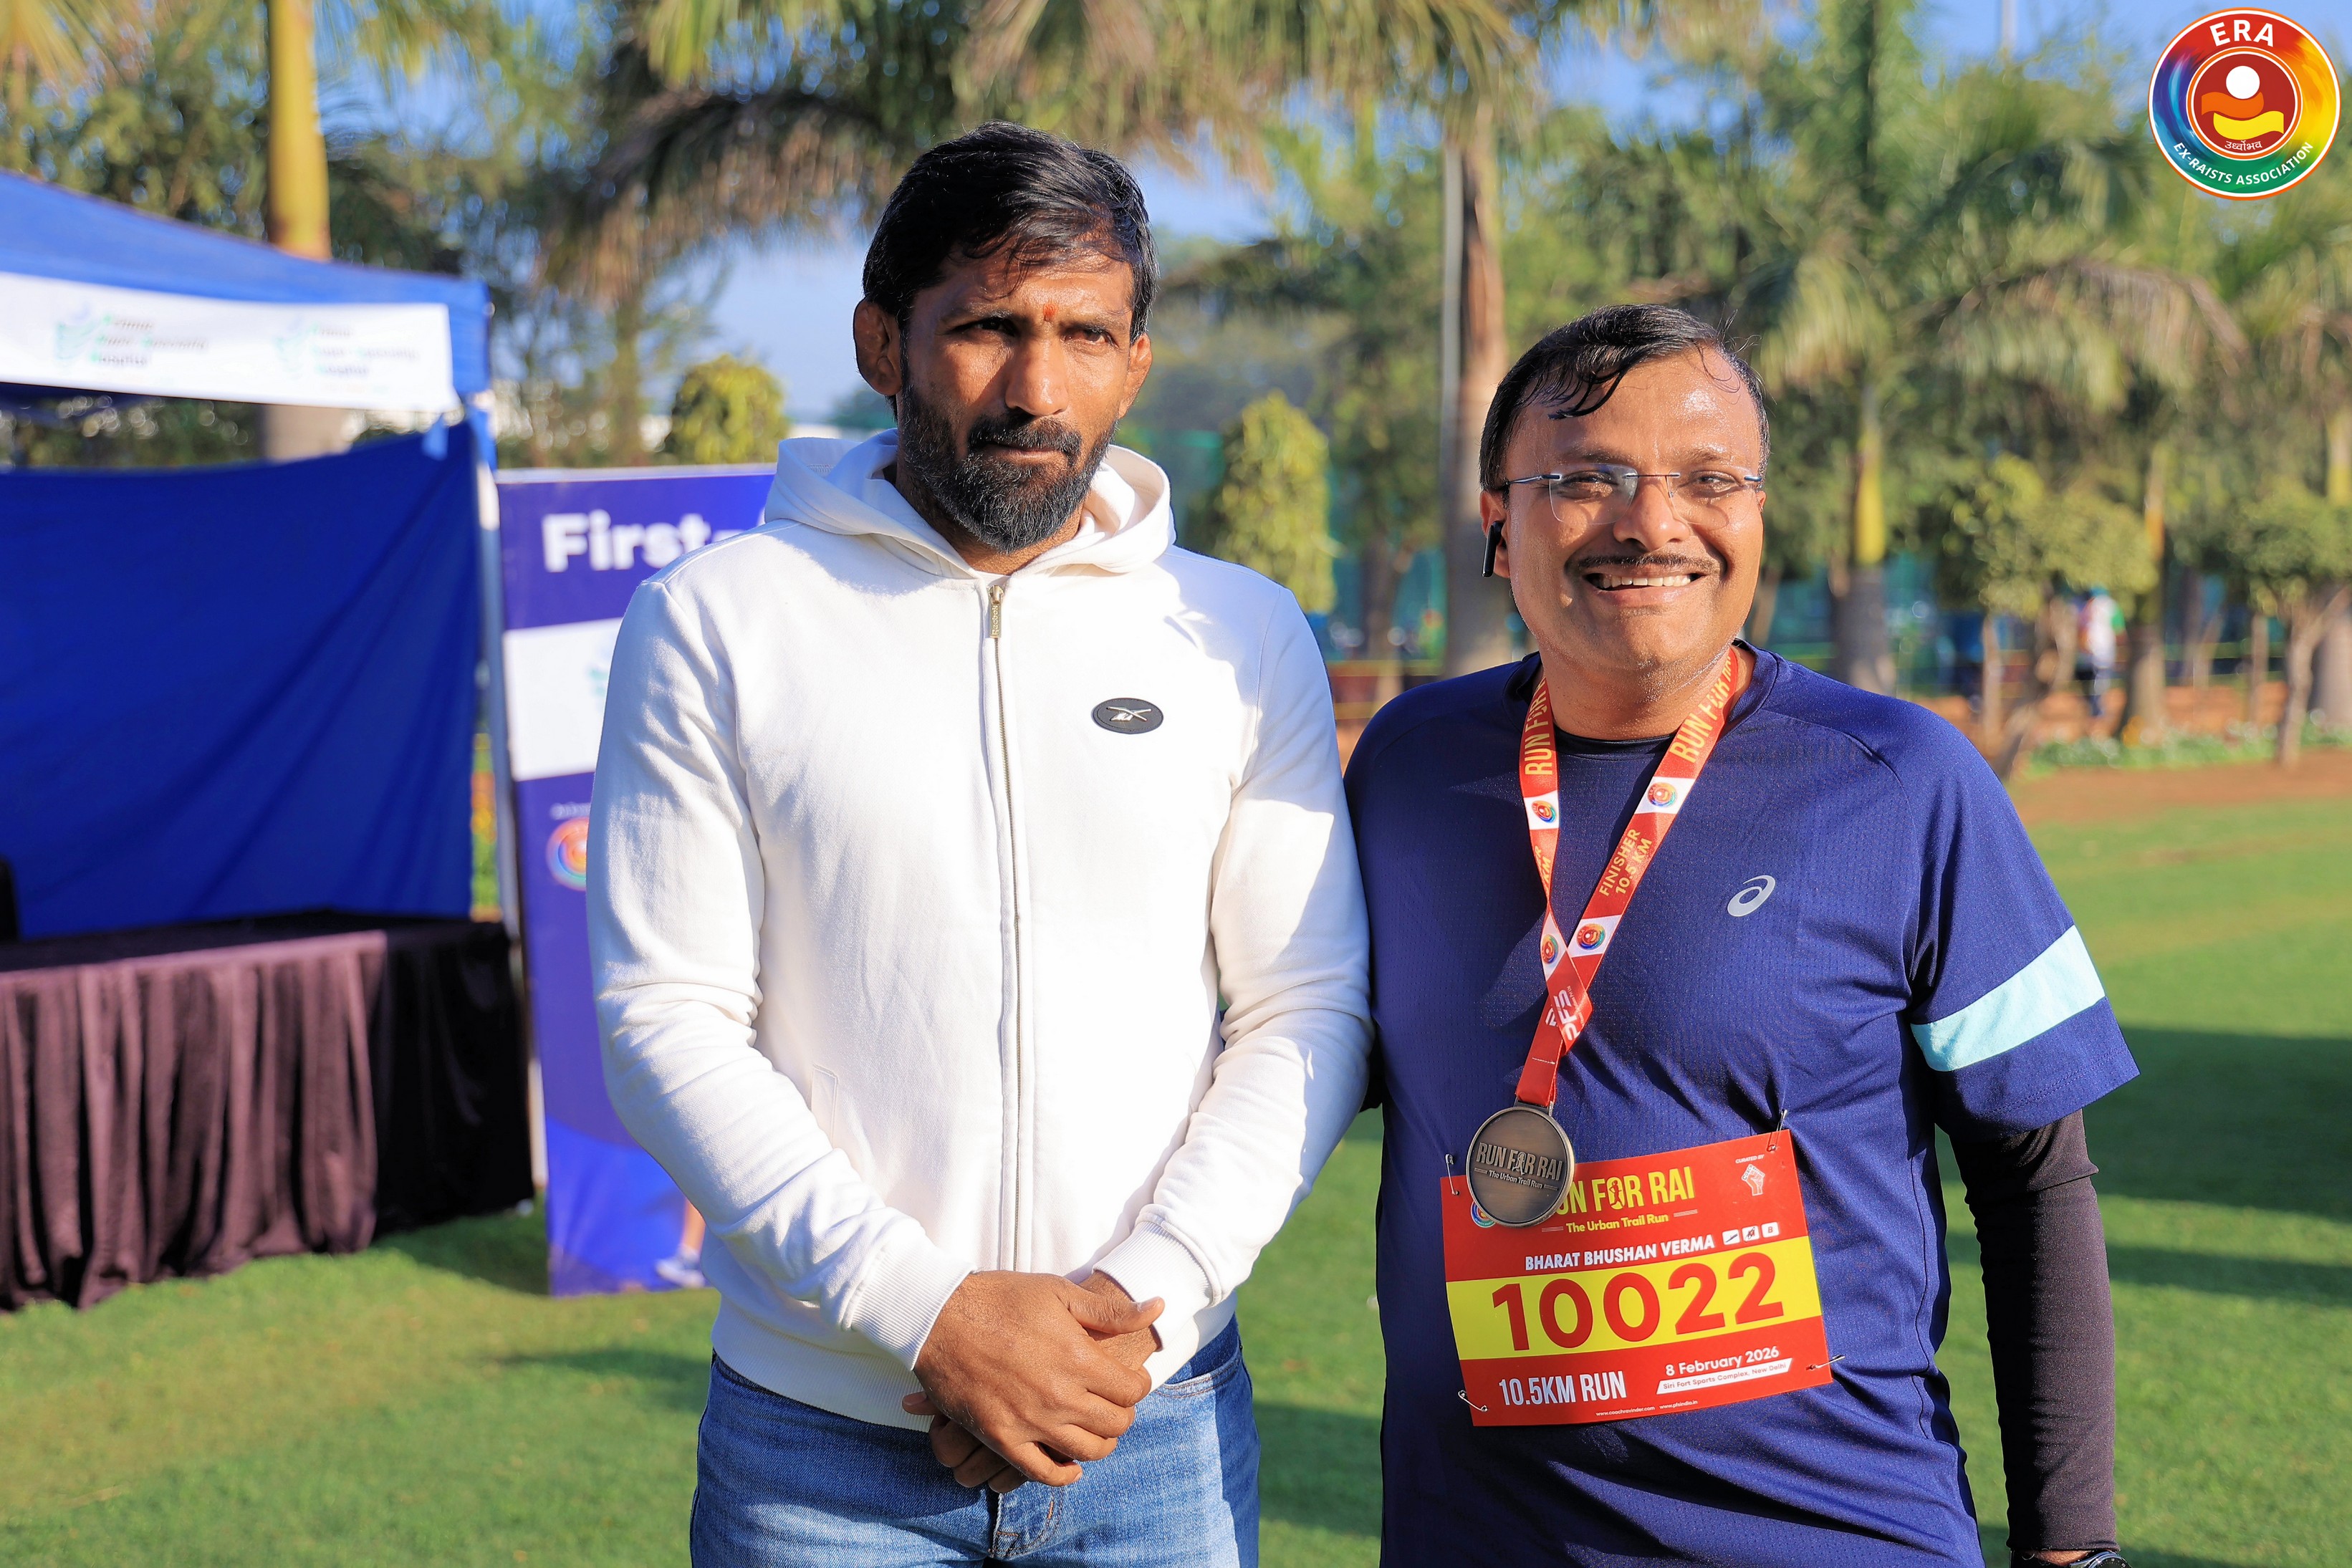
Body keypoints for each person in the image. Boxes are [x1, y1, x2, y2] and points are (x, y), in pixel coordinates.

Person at [588, 122, 1370, 1567]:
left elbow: (1304, 1008)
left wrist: (1128, 1315)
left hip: (1151, 1423)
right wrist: (929, 1316)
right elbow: (666, 1017)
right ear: (881, 343)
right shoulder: (717, 620)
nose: (1035, 389)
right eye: (988, 328)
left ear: (1136, 363)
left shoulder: (1241, 632)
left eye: (1085, 336)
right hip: (821, 1456)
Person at [1347, 304, 2138, 1567]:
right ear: (1498, 522)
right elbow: (1279, 1062)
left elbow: (2035, 1175)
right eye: (1586, 478)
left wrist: (2073, 1550)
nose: (1652, 523)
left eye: (1709, 479)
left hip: (1830, 1534)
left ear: (1760, 514)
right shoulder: (1404, 768)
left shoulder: (1903, 780)